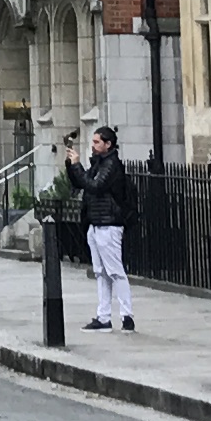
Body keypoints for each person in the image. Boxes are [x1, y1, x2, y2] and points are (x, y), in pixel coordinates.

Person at [80, 121, 135, 333]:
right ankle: (103, 317)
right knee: (100, 272)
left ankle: (127, 316)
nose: (93, 145)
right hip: (96, 223)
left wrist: (77, 168)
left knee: (115, 271)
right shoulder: (98, 164)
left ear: (108, 144)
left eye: (97, 142)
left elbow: (96, 186)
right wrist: (71, 165)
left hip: (109, 224)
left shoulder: (112, 165)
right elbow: (81, 183)